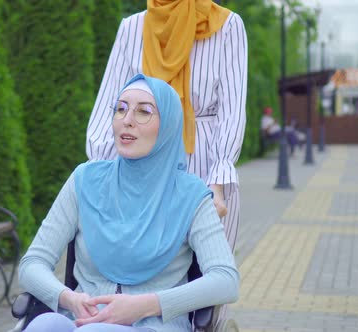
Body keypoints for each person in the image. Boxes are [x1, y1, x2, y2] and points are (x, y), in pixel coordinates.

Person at [19, 75, 239, 332]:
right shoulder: (85, 180)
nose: (128, 120)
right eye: (121, 109)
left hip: (155, 324)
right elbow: (32, 263)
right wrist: (68, 297)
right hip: (81, 317)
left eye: (144, 111)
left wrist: (146, 304)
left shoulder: (191, 194)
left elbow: (226, 280)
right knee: (44, 325)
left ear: (167, 125)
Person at [86, 0, 247, 250]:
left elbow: (231, 111)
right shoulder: (132, 27)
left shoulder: (226, 26)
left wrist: (217, 183)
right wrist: (99, 177)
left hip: (203, 166)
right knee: (141, 271)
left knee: (203, 275)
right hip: (140, 169)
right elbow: (110, 106)